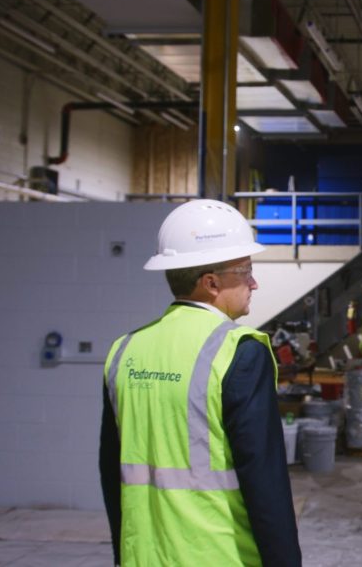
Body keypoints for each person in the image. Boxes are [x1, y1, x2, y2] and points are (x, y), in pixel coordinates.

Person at [99, 199, 301, 566]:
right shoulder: (239, 352)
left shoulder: (124, 351)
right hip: (219, 555)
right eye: (245, 270)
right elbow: (265, 482)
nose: (254, 282)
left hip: (141, 556)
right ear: (211, 282)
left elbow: (111, 473)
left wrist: (123, 551)